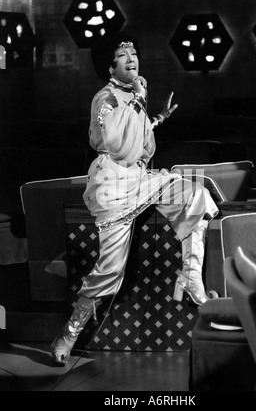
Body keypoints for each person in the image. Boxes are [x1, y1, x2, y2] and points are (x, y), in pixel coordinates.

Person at [51, 33, 219, 365]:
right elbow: (112, 141)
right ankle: (69, 333)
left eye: (133, 53)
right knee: (110, 273)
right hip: (113, 185)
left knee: (196, 194)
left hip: (141, 180)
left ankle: (189, 275)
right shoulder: (106, 99)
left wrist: (156, 117)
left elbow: (137, 142)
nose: (132, 58)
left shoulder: (131, 98)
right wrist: (138, 99)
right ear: (109, 66)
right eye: (123, 54)